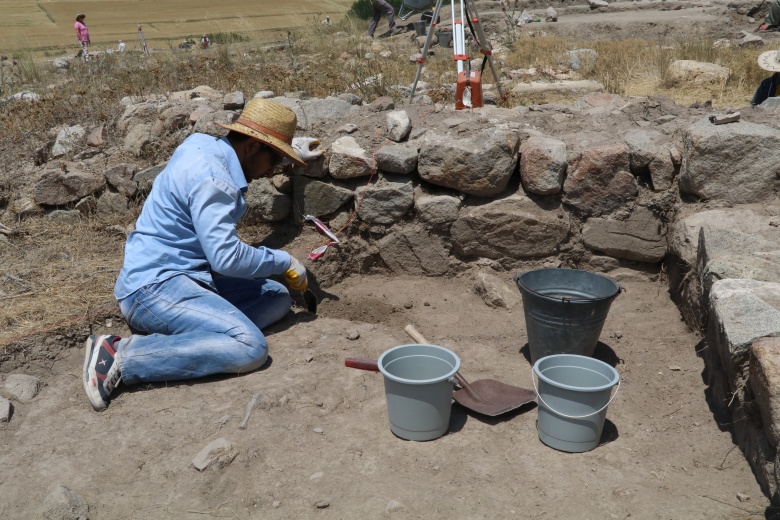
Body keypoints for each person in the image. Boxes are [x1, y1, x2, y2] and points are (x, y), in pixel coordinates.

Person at [82, 98, 325, 411]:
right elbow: (225, 258)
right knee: (250, 348)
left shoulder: (203, 145)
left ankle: (206, 335)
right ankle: (121, 356)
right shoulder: (215, 180)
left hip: (189, 274)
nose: (271, 171)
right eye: (274, 158)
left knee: (276, 297)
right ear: (252, 146)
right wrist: (283, 260)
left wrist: (286, 154)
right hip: (153, 288)